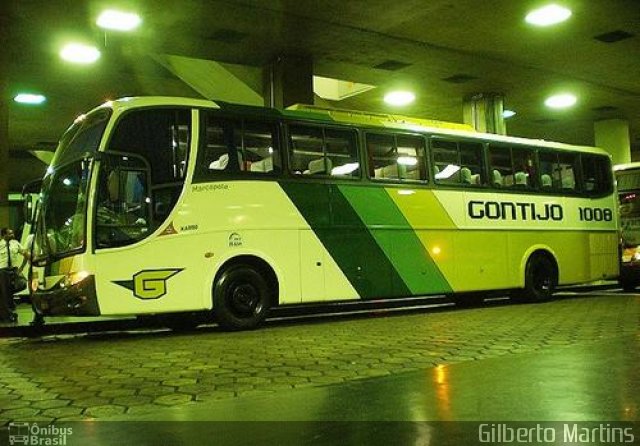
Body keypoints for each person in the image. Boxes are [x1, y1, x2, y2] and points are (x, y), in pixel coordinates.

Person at [0, 227, 30, 323]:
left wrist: (22, 267)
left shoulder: (15, 243)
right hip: (3, 271)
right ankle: (8, 313)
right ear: (4, 235)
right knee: (4, 292)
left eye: (12, 233)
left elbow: (25, 253)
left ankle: (9, 301)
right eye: (9, 234)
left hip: (14, 270)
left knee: (23, 284)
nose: (12, 235)